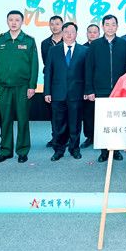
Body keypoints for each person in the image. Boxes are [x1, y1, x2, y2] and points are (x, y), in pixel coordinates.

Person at [0, 10, 39, 164]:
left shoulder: (29, 41)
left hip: (23, 87)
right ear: (7, 21)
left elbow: (34, 65)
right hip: (3, 87)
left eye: (17, 20)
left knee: (23, 120)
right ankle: (5, 151)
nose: (14, 22)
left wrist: (32, 86)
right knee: (5, 120)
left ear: (22, 22)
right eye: (11, 19)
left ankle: (22, 151)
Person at [84, 14, 126, 162]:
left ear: (117, 26)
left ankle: (116, 150)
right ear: (103, 26)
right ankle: (104, 151)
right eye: (107, 24)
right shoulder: (95, 45)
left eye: (113, 24)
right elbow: (89, 68)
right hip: (100, 90)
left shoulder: (124, 44)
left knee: (118, 121)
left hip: (119, 90)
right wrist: (89, 90)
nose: (110, 27)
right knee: (102, 122)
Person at [44, 22, 87, 161]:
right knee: (58, 124)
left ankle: (74, 149)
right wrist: (47, 92)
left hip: (77, 93)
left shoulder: (84, 50)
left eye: (72, 32)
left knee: (75, 124)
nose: (69, 34)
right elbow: (48, 72)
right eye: (66, 32)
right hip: (57, 93)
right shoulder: (53, 50)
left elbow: (87, 73)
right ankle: (58, 150)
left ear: (76, 34)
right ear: (62, 33)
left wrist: (87, 91)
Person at [41, 15, 64, 149]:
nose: (54, 27)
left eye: (57, 24)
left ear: (62, 25)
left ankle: (64, 137)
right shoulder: (45, 43)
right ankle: (55, 137)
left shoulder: (68, 40)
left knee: (65, 112)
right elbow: (46, 63)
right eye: (52, 24)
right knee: (53, 112)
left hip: (65, 81)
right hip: (51, 80)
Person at [80, 23, 101, 146]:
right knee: (88, 114)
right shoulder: (82, 48)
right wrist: (85, 89)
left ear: (99, 33)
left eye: (95, 32)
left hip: (101, 86)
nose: (92, 34)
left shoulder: (103, 47)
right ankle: (90, 137)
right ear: (86, 34)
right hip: (87, 87)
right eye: (90, 32)